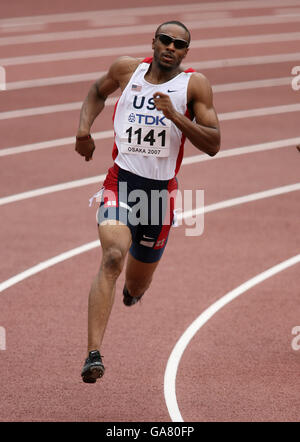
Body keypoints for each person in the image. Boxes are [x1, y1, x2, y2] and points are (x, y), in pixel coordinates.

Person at [75, 20, 220, 383]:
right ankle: (93, 354)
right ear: (153, 41)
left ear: (186, 52)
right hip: (121, 183)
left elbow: (214, 143)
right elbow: (96, 91)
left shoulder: (194, 85)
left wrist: (174, 116)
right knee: (111, 257)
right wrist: (83, 130)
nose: (171, 47)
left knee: (137, 285)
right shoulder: (127, 70)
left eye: (179, 44)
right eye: (165, 40)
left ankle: (131, 292)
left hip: (158, 196)